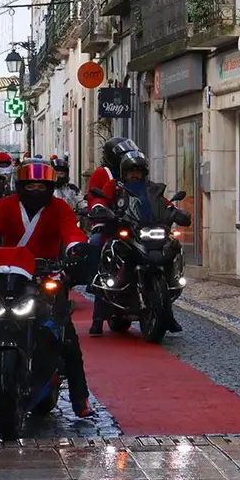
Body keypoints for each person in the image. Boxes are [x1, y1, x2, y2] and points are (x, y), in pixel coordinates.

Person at [0, 160, 94, 419]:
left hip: (45, 274)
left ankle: (80, 400)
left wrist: (75, 249)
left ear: (50, 186)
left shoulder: (59, 207)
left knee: (68, 339)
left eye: (41, 184)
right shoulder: (5, 206)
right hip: (7, 275)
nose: (36, 188)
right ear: (20, 185)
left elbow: (71, 230)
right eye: (30, 184)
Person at [104, 150, 183, 334]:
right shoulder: (116, 187)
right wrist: (101, 209)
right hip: (124, 230)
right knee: (101, 245)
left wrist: (177, 212)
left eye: (138, 171)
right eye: (131, 171)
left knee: (172, 246)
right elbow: (100, 200)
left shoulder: (152, 189)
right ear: (124, 172)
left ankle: (170, 293)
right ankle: (99, 316)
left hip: (147, 232)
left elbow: (165, 204)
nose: (134, 174)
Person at [86, 136, 139, 335]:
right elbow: (95, 198)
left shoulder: (136, 178)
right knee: (102, 258)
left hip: (134, 226)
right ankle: (97, 318)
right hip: (108, 225)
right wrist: (100, 210)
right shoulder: (103, 173)